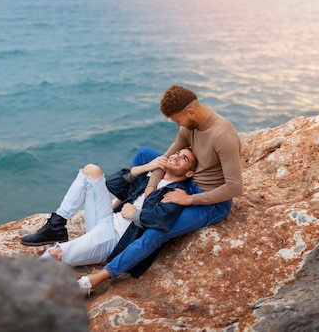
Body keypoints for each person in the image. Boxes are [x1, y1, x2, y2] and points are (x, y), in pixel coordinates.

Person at [78, 84, 243, 292]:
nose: (177, 125)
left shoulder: (222, 136)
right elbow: (162, 160)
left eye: (177, 120)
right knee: (144, 154)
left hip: (210, 199)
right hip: (188, 179)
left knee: (157, 232)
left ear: (190, 112)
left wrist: (189, 200)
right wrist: (150, 190)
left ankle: (96, 279)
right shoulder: (188, 127)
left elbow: (235, 187)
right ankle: (118, 210)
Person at [21, 149, 200, 270]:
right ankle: (56, 225)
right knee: (91, 171)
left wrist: (134, 214)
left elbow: (162, 219)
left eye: (184, 158)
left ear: (189, 173)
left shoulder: (177, 192)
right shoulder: (151, 177)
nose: (176, 156)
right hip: (107, 219)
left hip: (113, 238)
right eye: (177, 152)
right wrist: (147, 167)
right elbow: (113, 184)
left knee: (55, 253)